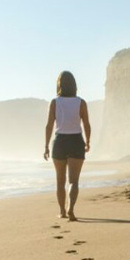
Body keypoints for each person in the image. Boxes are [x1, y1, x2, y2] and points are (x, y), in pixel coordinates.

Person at [43, 70, 91, 221]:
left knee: (60, 181)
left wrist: (46, 146)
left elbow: (49, 125)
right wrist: (88, 141)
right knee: (73, 181)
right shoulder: (81, 102)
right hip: (76, 140)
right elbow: (86, 124)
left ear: (59, 85)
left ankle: (62, 211)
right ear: (74, 85)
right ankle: (71, 209)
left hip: (59, 142)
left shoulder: (55, 102)